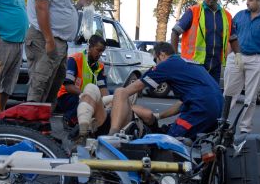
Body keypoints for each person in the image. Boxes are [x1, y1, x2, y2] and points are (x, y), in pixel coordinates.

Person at [75, 42, 223, 144]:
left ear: (161, 55)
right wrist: (159, 116)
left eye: (155, 60)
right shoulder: (188, 63)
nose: (155, 64)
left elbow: (132, 89)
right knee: (192, 140)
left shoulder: (167, 64)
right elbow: (180, 104)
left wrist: (118, 98)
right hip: (216, 108)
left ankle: (111, 136)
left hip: (201, 109)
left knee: (169, 141)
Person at [25, 0, 94, 108]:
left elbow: (59, 9)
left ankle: (40, 124)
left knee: (52, 84)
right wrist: (49, 40)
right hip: (45, 38)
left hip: (58, 41)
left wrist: (78, 5)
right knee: (39, 84)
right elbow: (41, 6)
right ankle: (29, 127)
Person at [223, 0, 260, 133]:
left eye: (250, 0)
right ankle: (222, 122)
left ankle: (244, 128)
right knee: (229, 93)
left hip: (256, 59)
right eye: (247, 0)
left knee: (251, 97)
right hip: (236, 57)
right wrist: (229, 56)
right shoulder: (240, 15)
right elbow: (231, 37)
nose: (247, 3)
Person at [171, 0, 238, 84]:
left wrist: (239, 57)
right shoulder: (193, 11)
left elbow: (233, 39)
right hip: (193, 64)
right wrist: (174, 57)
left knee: (211, 96)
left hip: (215, 65)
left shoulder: (227, 16)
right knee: (194, 95)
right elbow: (175, 32)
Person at [56, 34, 108, 128]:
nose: (100, 54)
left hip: (85, 94)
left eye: (102, 51)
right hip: (67, 96)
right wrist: (87, 95)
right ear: (90, 47)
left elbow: (103, 88)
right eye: (98, 50)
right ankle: (69, 119)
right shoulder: (75, 59)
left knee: (110, 97)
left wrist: (107, 102)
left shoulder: (100, 66)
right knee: (80, 100)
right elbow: (68, 87)